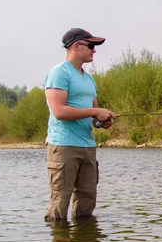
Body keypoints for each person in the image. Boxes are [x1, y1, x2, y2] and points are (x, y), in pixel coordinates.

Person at [44, 28, 117, 222]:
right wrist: (95, 112)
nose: (94, 51)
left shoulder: (89, 79)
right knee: (60, 203)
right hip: (63, 146)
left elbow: (93, 116)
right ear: (76, 46)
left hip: (87, 146)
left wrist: (102, 121)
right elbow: (59, 111)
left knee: (87, 202)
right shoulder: (59, 73)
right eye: (91, 46)